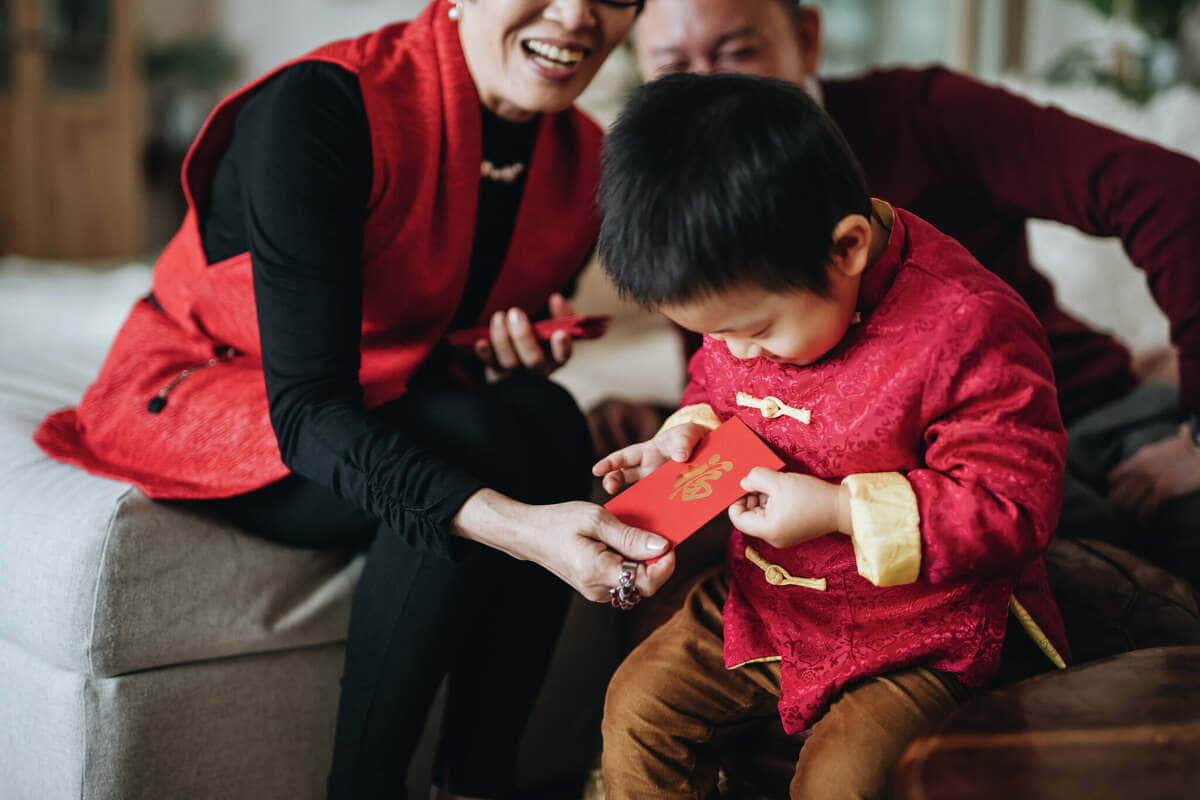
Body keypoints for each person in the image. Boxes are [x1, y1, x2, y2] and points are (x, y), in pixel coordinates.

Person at [34, 1, 676, 798]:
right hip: (226, 388)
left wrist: (497, 361)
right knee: (466, 444)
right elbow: (309, 414)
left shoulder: (582, 159)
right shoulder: (324, 106)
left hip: (393, 389)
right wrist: (519, 528)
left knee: (546, 418)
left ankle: (478, 783)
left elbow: (437, 331)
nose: (578, 14)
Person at [587, 0, 1200, 584]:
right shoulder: (668, 197)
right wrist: (672, 425)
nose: (708, 92)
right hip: (900, 488)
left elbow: (1173, 195)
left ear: (807, 39)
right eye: (672, 68)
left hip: (1079, 417)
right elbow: (747, 379)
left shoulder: (926, 114)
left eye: (738, 52)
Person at [592, 72, 1070, 799]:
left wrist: (841, 511)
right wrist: (679, 439)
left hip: (921, 632)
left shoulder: (969, 325)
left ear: (846, 248)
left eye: (753, 331)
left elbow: (1012, 503)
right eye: (713, 335)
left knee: (842, 781)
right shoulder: (754, 295)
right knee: (636, 711)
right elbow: (716, 388)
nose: (738, 353)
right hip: (768, 603)